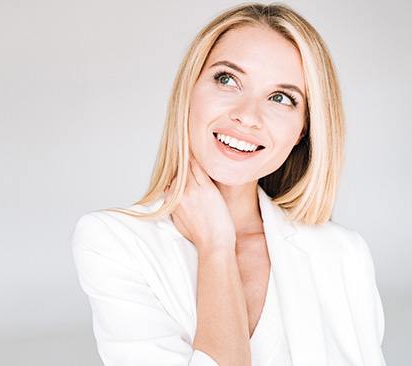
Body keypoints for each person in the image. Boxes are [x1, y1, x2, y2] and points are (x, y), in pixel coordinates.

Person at [70, 2, 386, 365]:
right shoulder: (114, 243)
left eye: (281, 98)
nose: (248, 116)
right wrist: (216, 249)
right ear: (189, 90)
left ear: (303, 130)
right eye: (227, 79)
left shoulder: (343, 254)